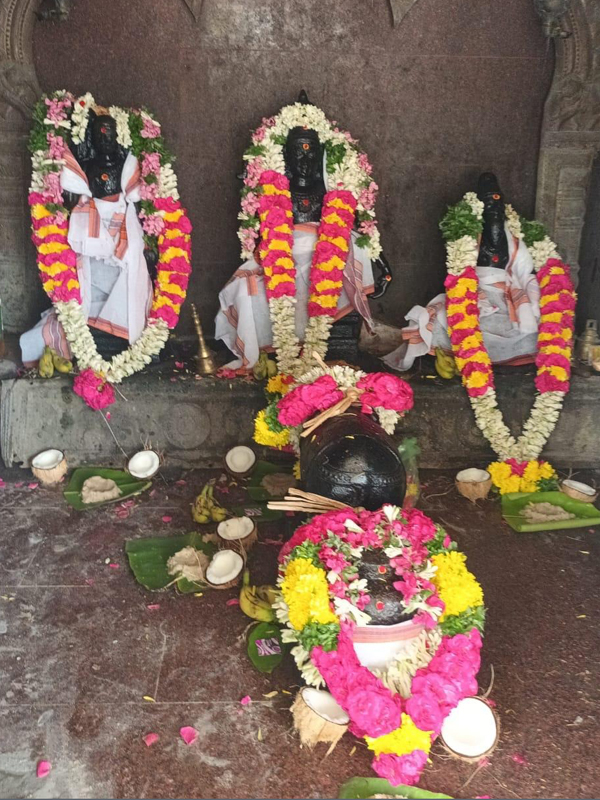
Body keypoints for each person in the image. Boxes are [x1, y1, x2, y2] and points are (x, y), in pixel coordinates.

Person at [383, 173, 541, 371]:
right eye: (489, 202)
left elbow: (525, 271)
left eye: (496, 202)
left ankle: (502, 356)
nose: (494, 208)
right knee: (445, 320)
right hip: (473, 292)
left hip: (504, 294)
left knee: (533, 326)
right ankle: (465, 354)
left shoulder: (512, 234)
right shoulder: (466, 229)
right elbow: (458, 272)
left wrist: (529, 298)